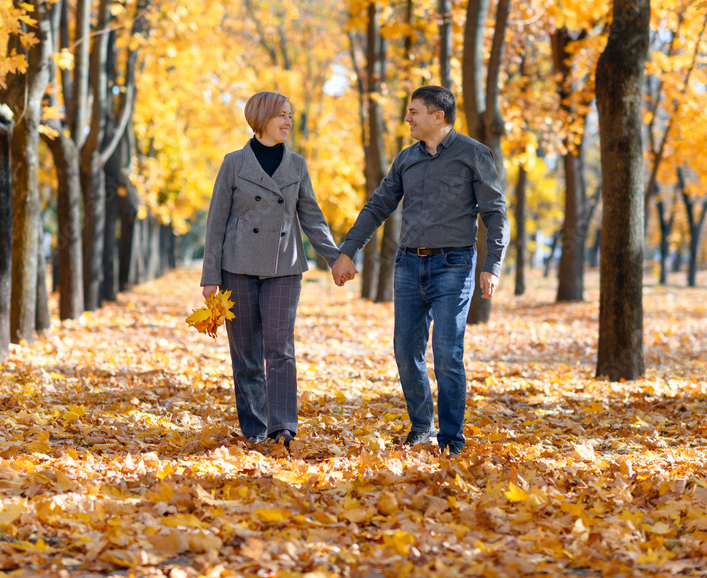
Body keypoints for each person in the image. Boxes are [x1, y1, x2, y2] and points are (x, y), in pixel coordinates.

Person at [332, 85, 510, 456]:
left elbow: (496, 214)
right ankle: (422, 425)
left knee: (447, 353)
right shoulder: (406, 159)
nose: (408, 118)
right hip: (408, 264)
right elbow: (378, 206)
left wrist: (492, 265)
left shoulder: (474, 155)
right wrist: (348, 251)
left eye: (414, 112)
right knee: (405, 351)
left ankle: (450, 441)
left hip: (455, 265)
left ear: (438, 116)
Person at [201, 91, 340, 449]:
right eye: (281, 115)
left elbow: (311, 216)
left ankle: (283, 429)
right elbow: (216, 222)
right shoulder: (234, 163)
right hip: (237, 266)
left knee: (280, 349)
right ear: (261, 118)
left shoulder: (297, 165)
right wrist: (210, 277)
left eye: (290, 115)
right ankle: (255, 428)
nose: (288, 122)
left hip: (285, 266)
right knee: (246, 354)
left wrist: (335, 256)